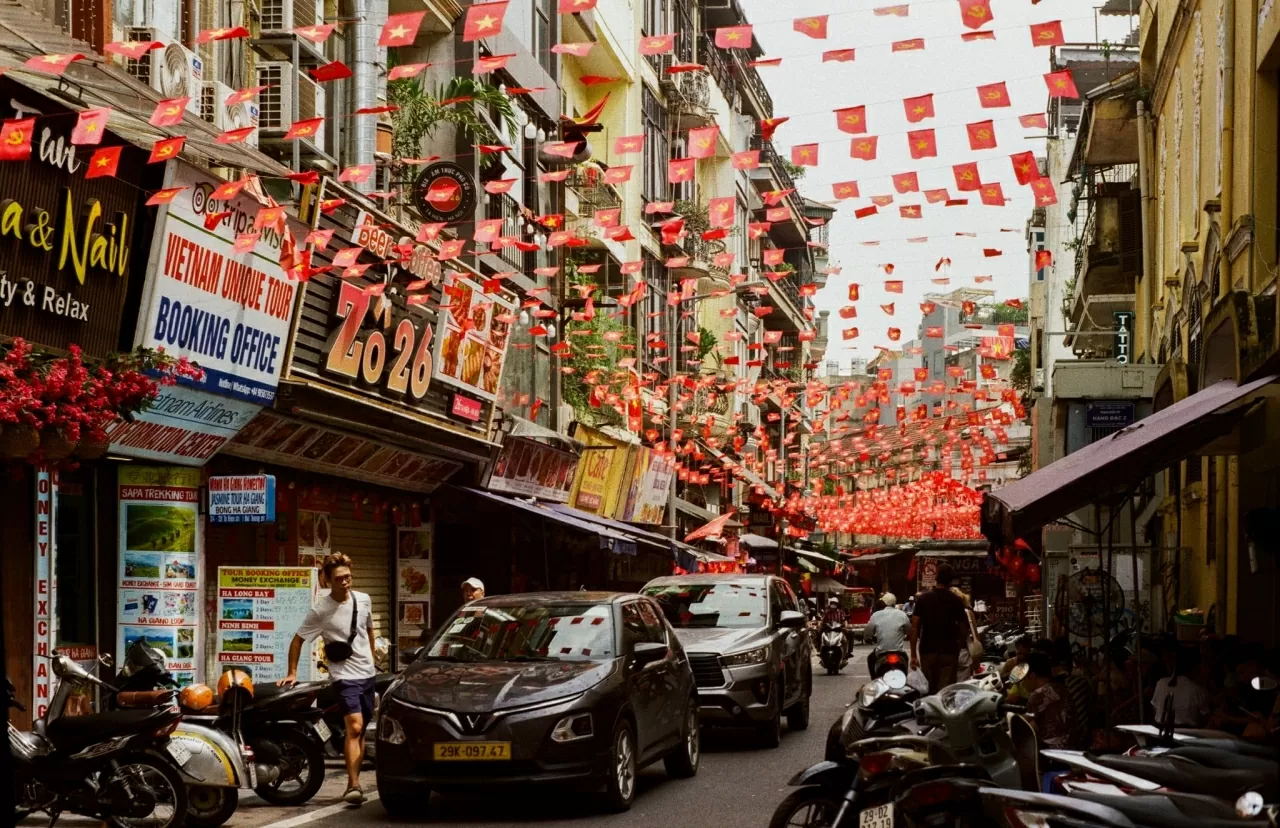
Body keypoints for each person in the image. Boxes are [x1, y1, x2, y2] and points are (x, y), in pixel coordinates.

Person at [280, 553, 375, 805]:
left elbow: (369, 630)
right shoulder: (320, 610)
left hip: (368, 673)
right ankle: (353, 785)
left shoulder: (364, 600)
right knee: (354, 726)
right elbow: (298, 639)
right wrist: (292, 672)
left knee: (361, 728)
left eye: (348, 576)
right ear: (328, 580)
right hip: (344, 675)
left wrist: (374, 659)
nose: (345, 582)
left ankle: (354, 781)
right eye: (339, 578)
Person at [910, 564, 970, 692]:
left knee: (928, 691)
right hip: (949, 652)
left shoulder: (923, 599)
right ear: (950, 582)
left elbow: (914, 628)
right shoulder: (956, 600)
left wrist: (913, 655)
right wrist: (957, 647)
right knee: (946, 693)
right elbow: (964, 627)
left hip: (927, 651)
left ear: (936, 578)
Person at [1151, 645, 1211, 728]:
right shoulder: (1198, 690)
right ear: (1196, 667)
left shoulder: (1161, 683)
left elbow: (1155, 711)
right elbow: (1204, 719)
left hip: (1161, 735)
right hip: (1188, 737)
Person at [1023, 652, 1071, 749]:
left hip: (1052, 752)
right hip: (1071, 746)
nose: (1023, 682)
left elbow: (1024, 723)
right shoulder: (1061, 688)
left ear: (1032, 676)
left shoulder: (1037, 695)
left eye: (1024, 677)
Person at [864, 593, 911, 676]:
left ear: (883, 603)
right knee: (906, 659)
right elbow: (909, 630)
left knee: (870, 659)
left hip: (881, 651)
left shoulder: (876, 615)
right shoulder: (902, 614)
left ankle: (874, 680)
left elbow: (868, 631)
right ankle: (904, 679)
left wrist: (867, 638)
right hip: (899, 651)